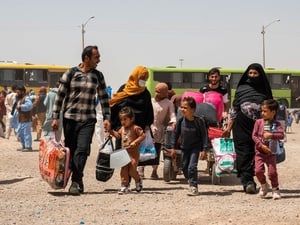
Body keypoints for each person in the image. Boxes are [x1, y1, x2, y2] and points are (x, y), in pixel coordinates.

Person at [51, 45, 111, 195]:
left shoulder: (98, 76)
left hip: (88, 119)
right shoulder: (70, 73)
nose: (99, 60)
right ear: (86, 58)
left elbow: (104, 98)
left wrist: (107, 118)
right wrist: (55, 117)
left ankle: (76, 181)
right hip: (70, 119)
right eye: (96, 57)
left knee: (83, 150)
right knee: (71, 150)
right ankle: (74, 179)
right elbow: (60, 96)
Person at [223, 63, 273, 194]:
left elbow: (271, 111)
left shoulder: (265, 90)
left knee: (258, 152)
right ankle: (248, 182)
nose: (252, 76)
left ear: (260, 75)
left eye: (255, 74)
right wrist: (228, 128)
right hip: (241, 125)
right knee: (243, 152)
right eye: (250, 73)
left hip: (259, 127)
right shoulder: (241, 89)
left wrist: (270, 129)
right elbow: (235, 109)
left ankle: (258, 178)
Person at [110, 66, 154, 176]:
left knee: (134, 158)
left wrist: (148, 124)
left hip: (136, 132)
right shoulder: (124, 89)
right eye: (141, 78)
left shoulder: (145, 93)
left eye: (145, 78)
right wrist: (113, 128)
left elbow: (149, 110)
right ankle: (125, 181)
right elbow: (115, 108)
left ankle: (134, 179)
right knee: (123, 158)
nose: (143, 81)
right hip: (123, 130)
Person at [170, 96, 208, 196]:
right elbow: (175, 134)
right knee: (184, 167)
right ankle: (190, 179)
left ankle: (193, 186)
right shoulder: (180, 121)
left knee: (192, 167)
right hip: (184, 148)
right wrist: (173, 147)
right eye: (181, 107)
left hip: (195, 148)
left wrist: (204, 149)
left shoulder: (199, 122)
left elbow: (204, 136)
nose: (182, 109)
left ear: (192, 109)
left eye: (185, 108)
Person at [143, 82, 176, 179]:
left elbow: (172, 115)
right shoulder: (150, 101)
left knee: (156, 150)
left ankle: (154, 171)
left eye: (159, 92)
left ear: (165, 93)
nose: (157, 93)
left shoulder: (168, 103)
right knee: (144, 149)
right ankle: (141, 170)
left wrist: (173, 122)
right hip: (148, 128)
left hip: (160, 130)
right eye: (156, 91)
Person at [252, 99, 284, 199]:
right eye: (262, 111)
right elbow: (254, 136)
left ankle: (275, 189)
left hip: (271, 153)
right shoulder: (258, 122)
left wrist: (272, 135)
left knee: (272, 172)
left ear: (273, 112)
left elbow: (281, 135)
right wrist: (261, 145)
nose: (262, 113)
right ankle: (264, 185)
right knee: (258, 171)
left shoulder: (277, 124)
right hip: (259, 152)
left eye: (265, 111)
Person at [110, 106, 145, 194]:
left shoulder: (135, 128)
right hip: (124, 153)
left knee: (132, 170)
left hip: (133, 153)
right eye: (121, 119)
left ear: (131, 119)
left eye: (125, 119)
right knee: (124, 170)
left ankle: (138, 180)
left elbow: (143, 136)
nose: (123, 122)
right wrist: (110, 131)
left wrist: (135, 142)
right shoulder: (122, 129)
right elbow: (118, 135)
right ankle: (124, 185)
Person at [15, 85, 33, 151]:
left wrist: (21, 106)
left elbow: (29, 106)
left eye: (18, 92)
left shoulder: (26, 98)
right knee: (20, 133)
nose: (17, 94)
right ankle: (24, 146)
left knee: (26, 133)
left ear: (22, 92)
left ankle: (28, 147)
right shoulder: (20, 99)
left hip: (26, 119)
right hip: (21, 119)